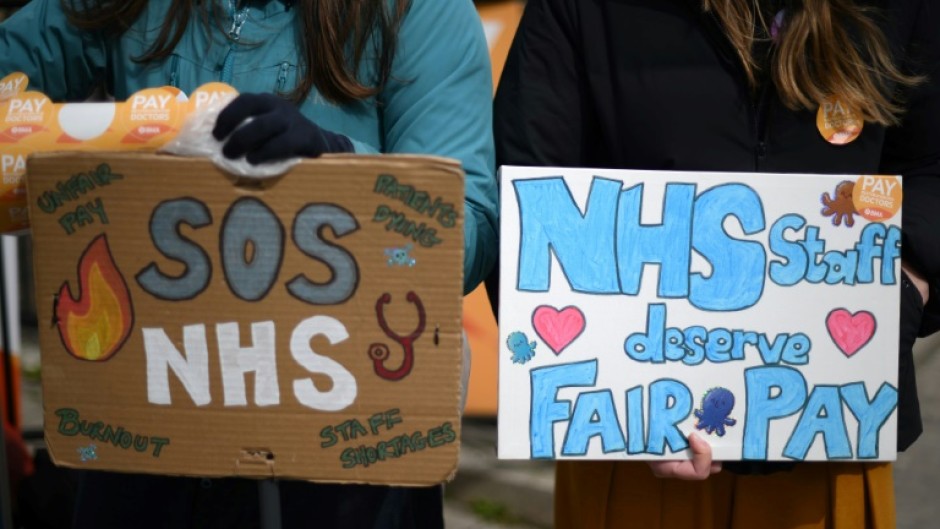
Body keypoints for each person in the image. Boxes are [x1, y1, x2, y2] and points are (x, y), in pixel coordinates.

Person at [0, 0, 497, 527]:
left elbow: (467, 229)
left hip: (341, 460)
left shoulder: (420, 10)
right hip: (148, 436)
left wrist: (335, 165)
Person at [492, 0, 939, 527]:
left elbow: (929, 171)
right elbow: (530, 192)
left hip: (829, 442)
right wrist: (617, 393)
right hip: (634, 452)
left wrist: (905, 290)